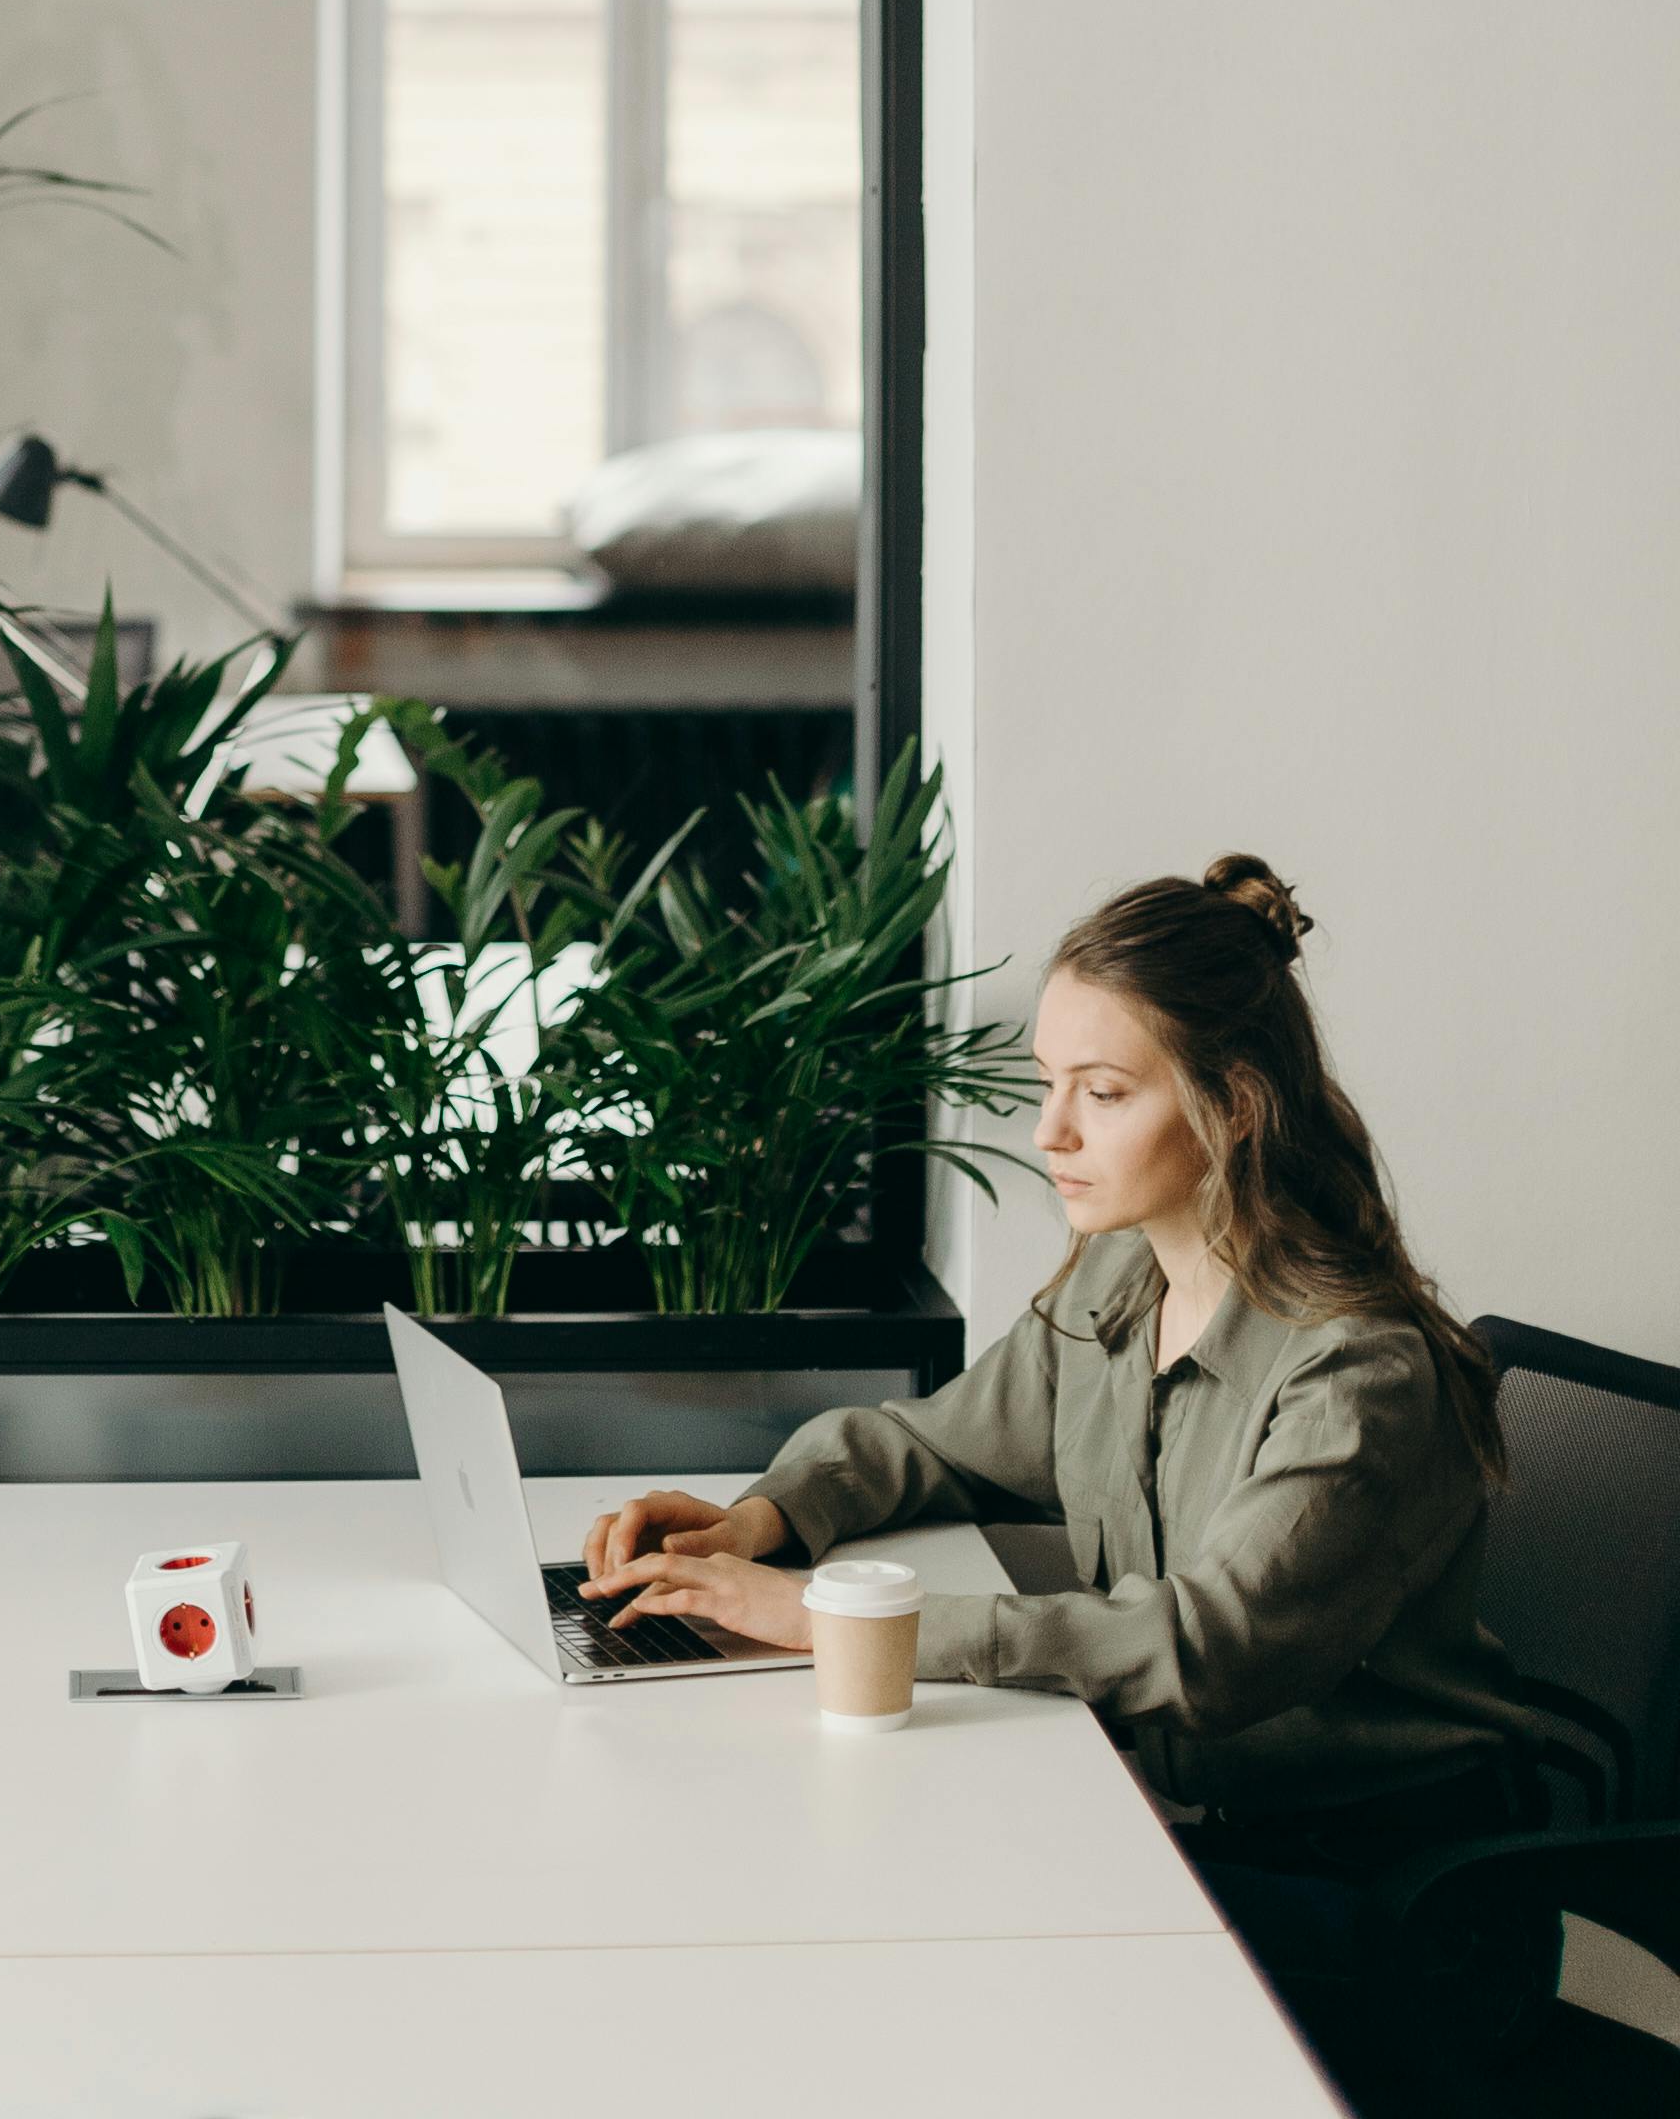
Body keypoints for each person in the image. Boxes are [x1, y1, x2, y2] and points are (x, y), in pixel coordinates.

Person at [581, 855, 1562, 2112]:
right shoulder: (1120, 1283)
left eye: (1101, 1092)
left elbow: (1208, 1648)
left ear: (1234, 1107)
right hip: (1212, 1835)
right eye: (1051, 1085)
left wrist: (829, 1618)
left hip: (1398, 1903)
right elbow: (936, 1441)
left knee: (945, 1932)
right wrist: (764, 1516)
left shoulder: (1356, 1372)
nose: (1050, 1131)